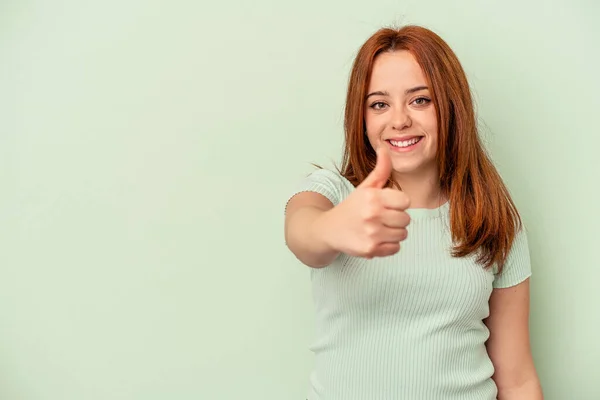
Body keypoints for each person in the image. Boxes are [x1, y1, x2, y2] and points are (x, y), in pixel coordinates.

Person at [284, 25, 543, 400]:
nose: (400, 120)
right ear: (362, 117)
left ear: (451, 107)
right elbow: (302, 231)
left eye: (420, 100)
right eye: (379, 104)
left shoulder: (491, 219)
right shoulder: (334, 194)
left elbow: (517, 379)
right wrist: (331, 228)